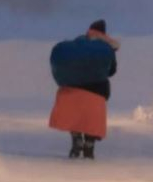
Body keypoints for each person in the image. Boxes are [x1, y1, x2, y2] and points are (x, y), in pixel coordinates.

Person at [49, 20, 119, 159]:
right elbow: (111, 71)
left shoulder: (78, 43)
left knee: (75, 116)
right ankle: (89, 145)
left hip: (71, 89)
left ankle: (76, 139)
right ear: (104, 33)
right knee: (91, 119)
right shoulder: (105, 48)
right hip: (96, 91)